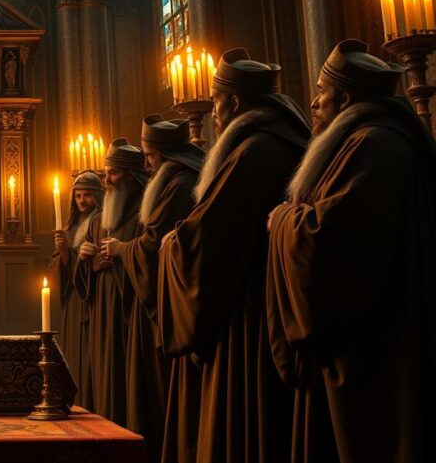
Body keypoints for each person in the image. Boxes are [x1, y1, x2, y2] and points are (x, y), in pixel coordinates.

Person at [266, 39, 436, 463]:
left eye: (321, 92)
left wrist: (283, 221)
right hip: (377, 332)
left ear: (343, 98)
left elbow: (331, 240)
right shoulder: (374, 140)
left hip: (375, 348)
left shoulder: (372, 146)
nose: (314, 101)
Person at [159, 48, 310, 463]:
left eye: (216, 100)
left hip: (247, 314)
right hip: (271, 302)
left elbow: (210, 237)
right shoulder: (286, 142)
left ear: (236, 102)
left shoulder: (253, 152)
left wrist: (173, 244)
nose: (213, 112)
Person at [103, 116, 204, 463]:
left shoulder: (179, 182)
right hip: (160, 294)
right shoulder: (173, 179)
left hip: (169, 299)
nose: (147, 163)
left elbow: (154, 243)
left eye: (150, 156)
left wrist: (120, 250)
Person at [79, 139, 148, 427]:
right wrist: (87, 262)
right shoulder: (98, 221)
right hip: (102, 316)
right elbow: (85, 275)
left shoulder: (146, 214)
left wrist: (123, 251)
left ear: (132, 177)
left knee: (129, 384)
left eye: (113, 173)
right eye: (106, 173)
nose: (105, 179)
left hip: (131, 316)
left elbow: (154, 257)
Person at [50, 170, 104, 410]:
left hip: (91, 297)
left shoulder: (102, 221)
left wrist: (80, 260)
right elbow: (57, 270)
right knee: (73, 352)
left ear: (97, 196)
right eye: (78, 196)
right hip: (72, 300)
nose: (82, 200)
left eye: (87, 195)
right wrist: (63, 253)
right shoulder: (70, 227)